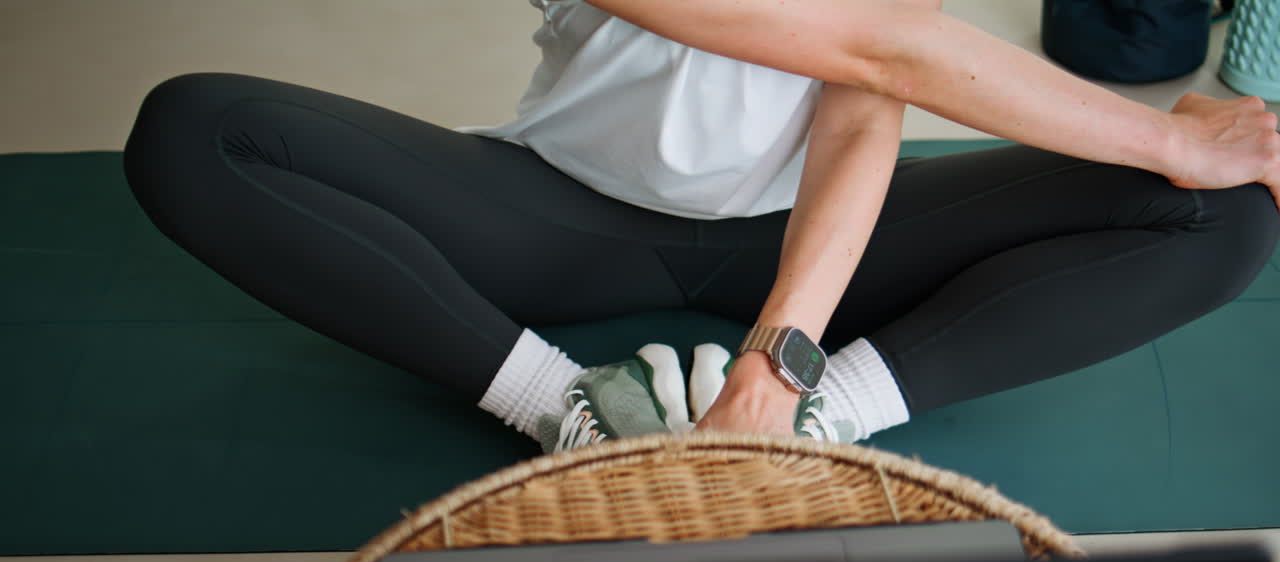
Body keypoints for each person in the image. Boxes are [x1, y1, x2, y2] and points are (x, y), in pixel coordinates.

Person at [123, 0, 1280, 453]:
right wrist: (1170, 136)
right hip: (553, 216)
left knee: (1220, 223)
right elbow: (884, 48)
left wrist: (785, 369)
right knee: (193, 132)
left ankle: (837, 414)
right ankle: (569, 410)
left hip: (800, 240)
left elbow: (857, 116)